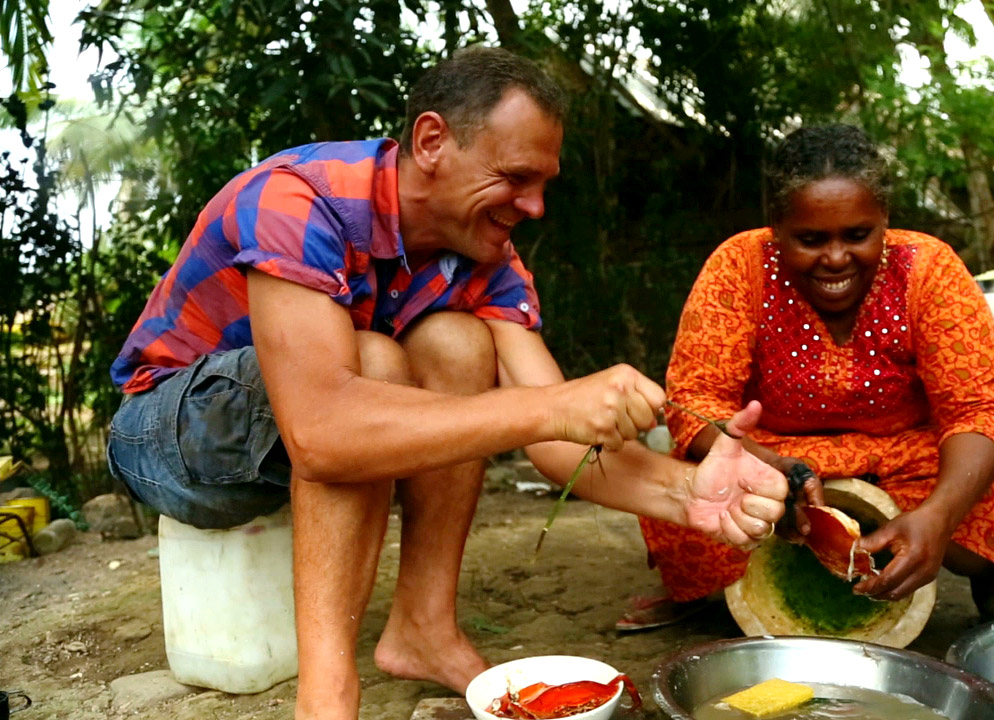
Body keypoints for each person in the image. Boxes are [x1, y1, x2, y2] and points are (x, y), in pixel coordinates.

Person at [106, 46, 786, 720]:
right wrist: (549, 407)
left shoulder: (485, 257)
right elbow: (321, 432)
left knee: (457, 343)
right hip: (163, 435)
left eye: (544, 183)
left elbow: (560, 446)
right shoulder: (299, 200)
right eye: (516, 177)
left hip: (294, 428)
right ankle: (327, 692)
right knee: (371, 363)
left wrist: (689, 491)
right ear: (432, 140)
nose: (535, 205)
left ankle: (423, 627)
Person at [631, 124, 994, 629]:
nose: (836, 259)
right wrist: (771, 468)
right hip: (770, 453)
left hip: (904, 456)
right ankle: (695, 591)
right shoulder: (738, 267)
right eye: (811, 240)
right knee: (687, 495)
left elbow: (977, 409)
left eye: (858, 236)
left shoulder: (930, 270)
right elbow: (695, 400)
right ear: (777, 228)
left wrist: (938, 517)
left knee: (993, 504)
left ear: (884, 221)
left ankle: (991, 590)